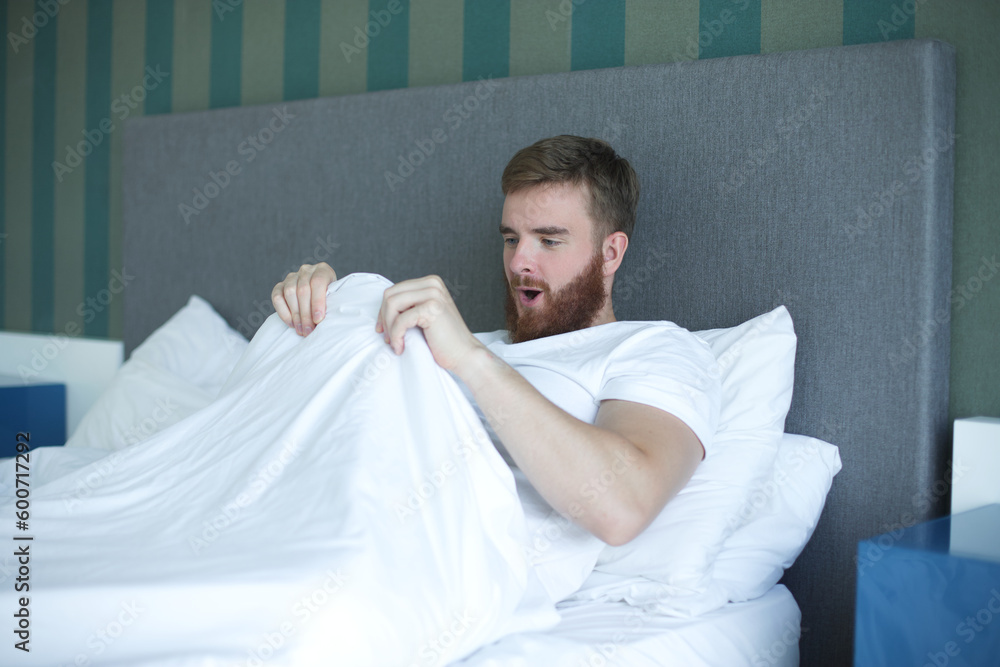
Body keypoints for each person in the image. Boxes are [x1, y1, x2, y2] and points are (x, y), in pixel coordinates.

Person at [271, 135, 720, 547]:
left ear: (611, 253)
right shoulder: (460, 342)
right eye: (511, 238)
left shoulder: (652, 349)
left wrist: (471, 358)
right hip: (322, 517)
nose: (519, 261)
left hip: (430, 556)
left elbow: (622, 507)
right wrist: (328, 311)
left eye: (548, 240)